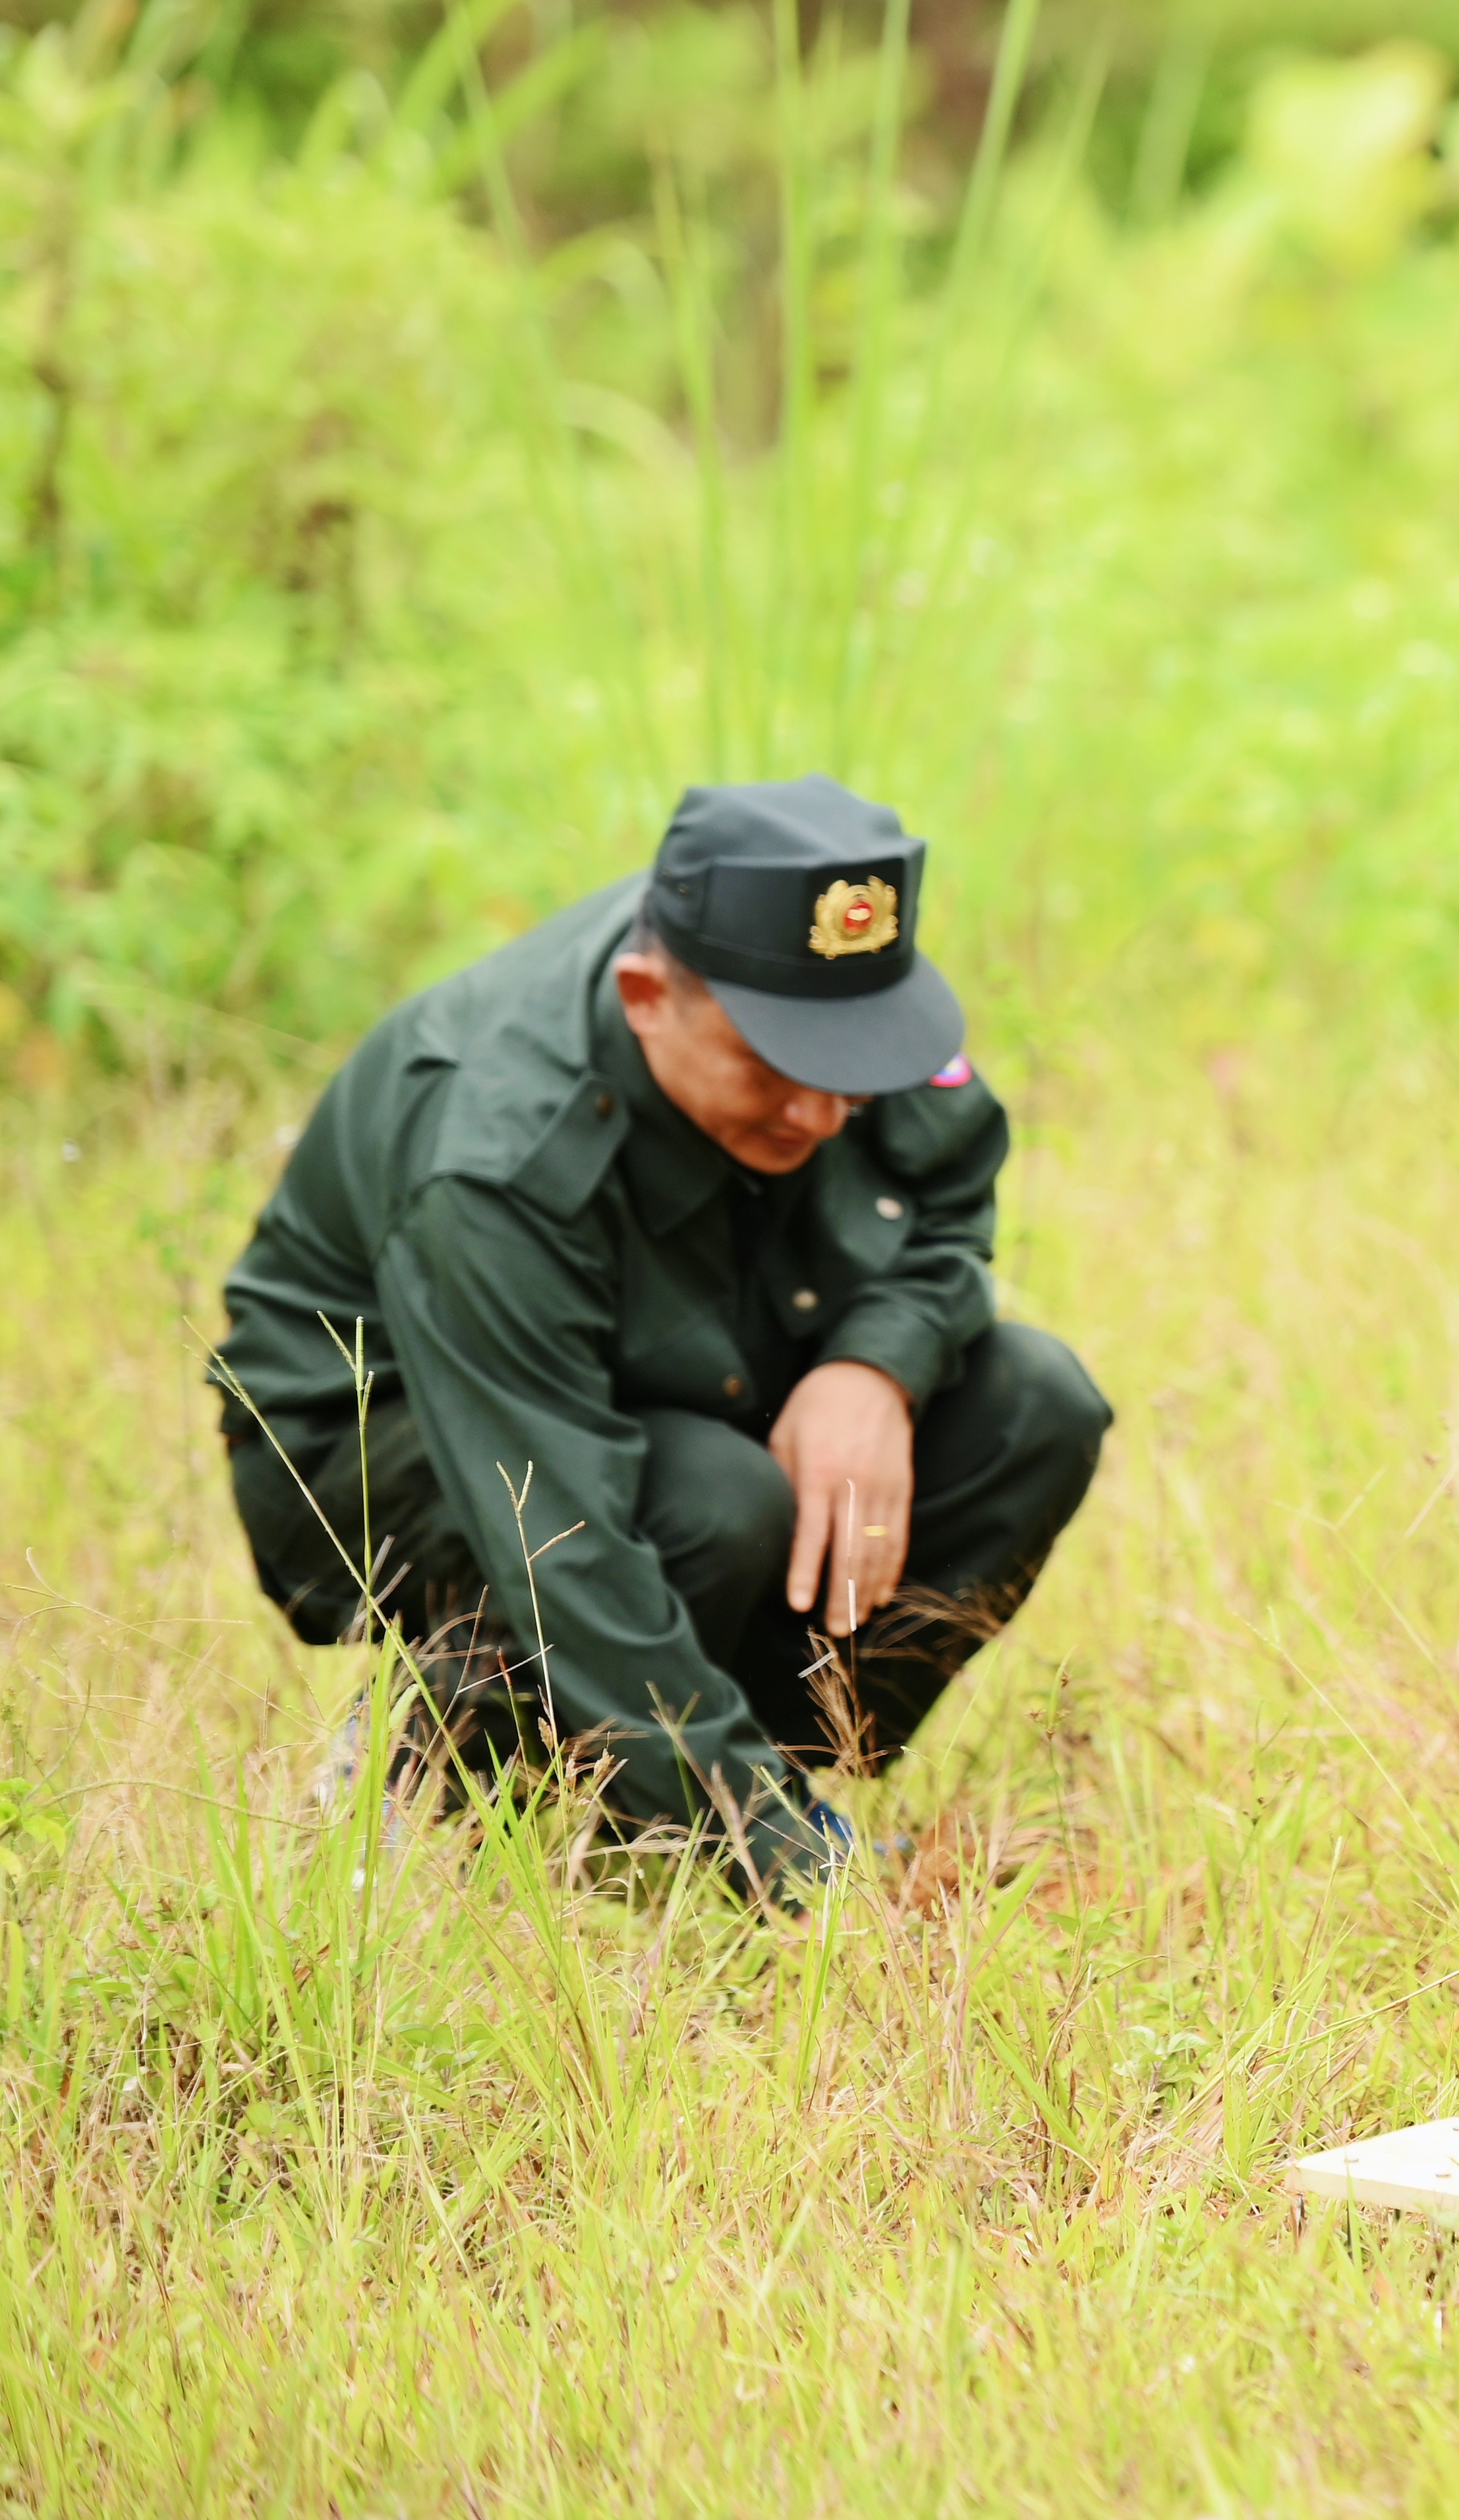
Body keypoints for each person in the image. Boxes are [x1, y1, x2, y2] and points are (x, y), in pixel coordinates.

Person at [212, 776, 1113, 1897]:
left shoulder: (818, 1002)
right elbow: (561, 1542)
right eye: (780, 1073)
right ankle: (450, 1783)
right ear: (647, 996)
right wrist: (803, 1886)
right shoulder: (495, 1149)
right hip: (390, 1433)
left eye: (852, 1076)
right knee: (711, 1503)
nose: (824, 1115)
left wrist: (870, 1364)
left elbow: (949, 1187)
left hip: (687, 1361)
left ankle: (687, 1797)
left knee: (1034, 1403)